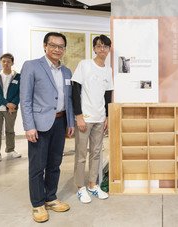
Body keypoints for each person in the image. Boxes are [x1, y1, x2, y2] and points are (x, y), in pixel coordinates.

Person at [20, 32, 75, 223]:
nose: (57, 49)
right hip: (39, 124)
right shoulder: (32, 66)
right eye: (53, 45)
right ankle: (37, 204)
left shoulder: (67, 71)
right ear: (45, 46)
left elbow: (68, 99)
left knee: (55, 164)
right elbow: (25, 99)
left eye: (61, 46)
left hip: (60, 123)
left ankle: (51, 197)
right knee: (37, 166)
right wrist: (29, 126)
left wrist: (70, 122)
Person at [71, 34, 113, 203]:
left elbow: (108, 94)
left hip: (100, 117)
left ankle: (92, 185)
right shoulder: (85, 65)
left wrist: (107, 116)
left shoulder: (108, 70)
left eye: (105, 46)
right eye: (99, 46)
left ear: (109, 49)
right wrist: (78, 115)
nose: (102, 49)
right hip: (85, 117)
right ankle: (80, 187)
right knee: (81, 154)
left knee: (96, 153)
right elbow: (75, 90)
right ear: (94, 48)